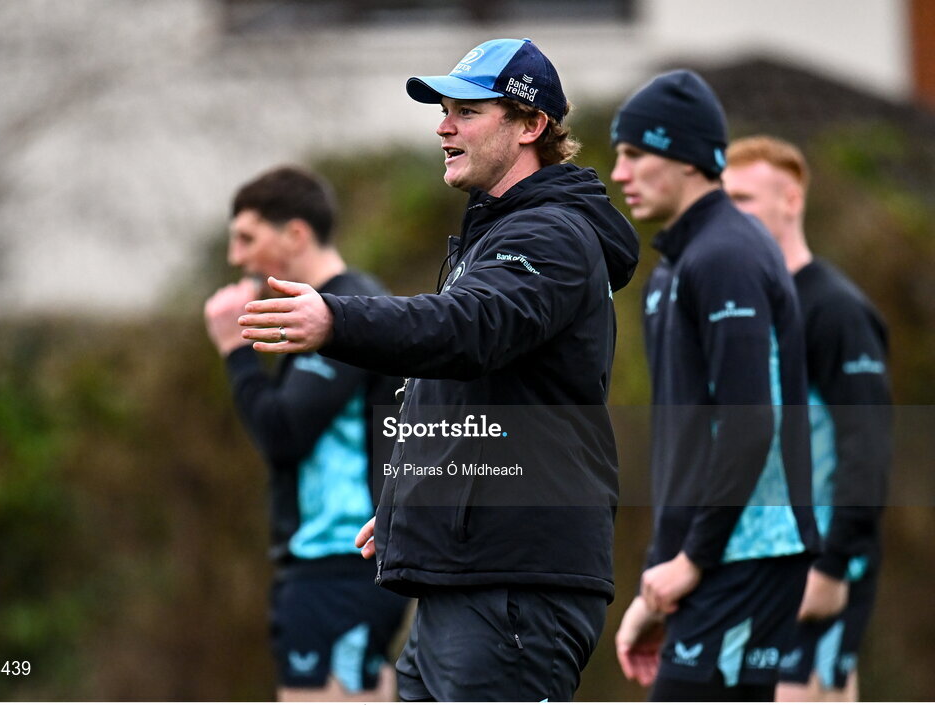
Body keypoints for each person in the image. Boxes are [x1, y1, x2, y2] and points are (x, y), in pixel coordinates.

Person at [235, 38, 640, 701]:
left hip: (512, 589)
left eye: (467, 111)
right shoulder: (497, 235)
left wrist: (336, 319)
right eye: (443, 111)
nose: (443, 127)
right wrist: (411, 501)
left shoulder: (551, 235)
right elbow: (468, 388)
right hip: (468, 582)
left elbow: (466, 330)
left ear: (531, 125)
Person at [608, 71, 820, 701]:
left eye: (635, 154)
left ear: (686, 157)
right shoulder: (675, 267)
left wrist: (691, 561)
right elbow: (687, 448)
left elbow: (750, 423)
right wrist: (659, 580)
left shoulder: (727, 255)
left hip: (750, 554)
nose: (620, 173)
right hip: (710, 561)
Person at [202, 166, 408, 701]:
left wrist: (235, 351)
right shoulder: (326, 310)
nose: (236, 257)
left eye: (247, 238)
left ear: (295, 234)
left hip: (339, 564)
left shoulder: (349, 310)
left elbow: (284, 433)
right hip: (335, 568)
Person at [723, 136, 892, 702]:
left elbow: (867, 450)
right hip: (753, 569)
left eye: (744, 199)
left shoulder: (836, 309)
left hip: (816, 573)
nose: (731, 214)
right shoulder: (748, 304)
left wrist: (833, 565)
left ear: (791, 200)